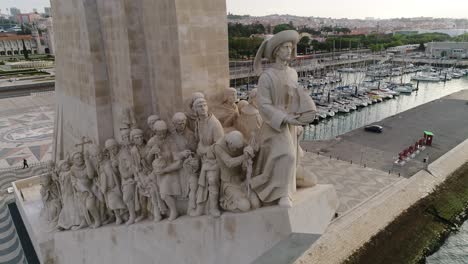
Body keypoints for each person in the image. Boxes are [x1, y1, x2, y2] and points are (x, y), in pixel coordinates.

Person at [251, 30, 317, 208]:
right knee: (287, 155)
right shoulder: (267, 77)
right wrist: (285, 118)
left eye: (291, 47)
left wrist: (301, 116)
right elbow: (264, 105)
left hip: (291, 123)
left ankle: (288, 187)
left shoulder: (293, 73)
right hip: (275, 125)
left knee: (293, 157)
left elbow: (295, 98)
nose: (289, 50)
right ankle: (281, 194)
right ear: (276, 51)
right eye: (285, 47)